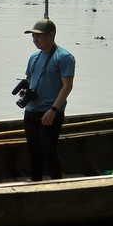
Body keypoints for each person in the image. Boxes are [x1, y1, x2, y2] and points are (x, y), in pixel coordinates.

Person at [18, 18, 75, 181]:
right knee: (33, 149)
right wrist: (24, 90)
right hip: (31, 110)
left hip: (49, 112)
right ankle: (36, 181)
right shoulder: (34, 57)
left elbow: (67, 86)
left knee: (49, 150)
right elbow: (29, 79)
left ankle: (57, 183)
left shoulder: (64, 57)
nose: (35, 40)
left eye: (39, 36)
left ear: (51, 35)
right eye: (33, 37)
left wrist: (54, 110)